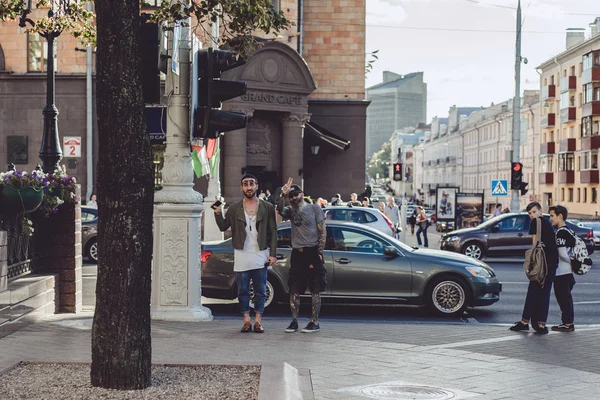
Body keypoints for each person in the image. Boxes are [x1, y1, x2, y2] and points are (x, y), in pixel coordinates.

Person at [214, 174, 277, 334]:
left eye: (251, 184)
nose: (248, 187)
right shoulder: (235, 207)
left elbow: (273, 231)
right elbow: (223, 226)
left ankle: (258, 321)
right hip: (241, 253)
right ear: (241, 187)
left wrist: (273, 253)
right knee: (242, 289)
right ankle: (246, 320)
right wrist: (217, 212)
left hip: (261, 252)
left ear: (257, 186)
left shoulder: (267, 207)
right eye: (245, 184)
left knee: (260, 290)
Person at [277, 178, 327, 333]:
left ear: (303, 194)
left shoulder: (314, 208)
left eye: (296, 194)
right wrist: (282, 195)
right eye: (291, 196)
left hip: (312, 251)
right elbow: (280, 210)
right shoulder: (291, 211)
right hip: (297, 253)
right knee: (294, 289)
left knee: (315, 289)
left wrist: (319, 251)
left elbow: (322, 231)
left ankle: (315, 322)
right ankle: (294, 321)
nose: (293, 198)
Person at [509, 201, 558, 334]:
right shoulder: (546, 222)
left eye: (534, 212)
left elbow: (534, 245)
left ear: (540, 211)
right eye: (530, 213)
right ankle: (540, 324)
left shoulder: (536, 222)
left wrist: (531, 262)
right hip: (552, 262)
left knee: (533, 291)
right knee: (543, 293)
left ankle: (525, 322)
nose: (532, 215)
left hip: (542, 263)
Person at [549, 205, 576, 332]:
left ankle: (567, 323)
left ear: (560, 216)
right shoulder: (569, 230)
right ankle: (567, 322)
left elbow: (562, 254)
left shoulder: (560, 232)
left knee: (564, 299)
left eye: (552, 216)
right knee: (566, 298)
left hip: (562, 271)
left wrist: (570, 261)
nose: (550, 219)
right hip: (568, 271)